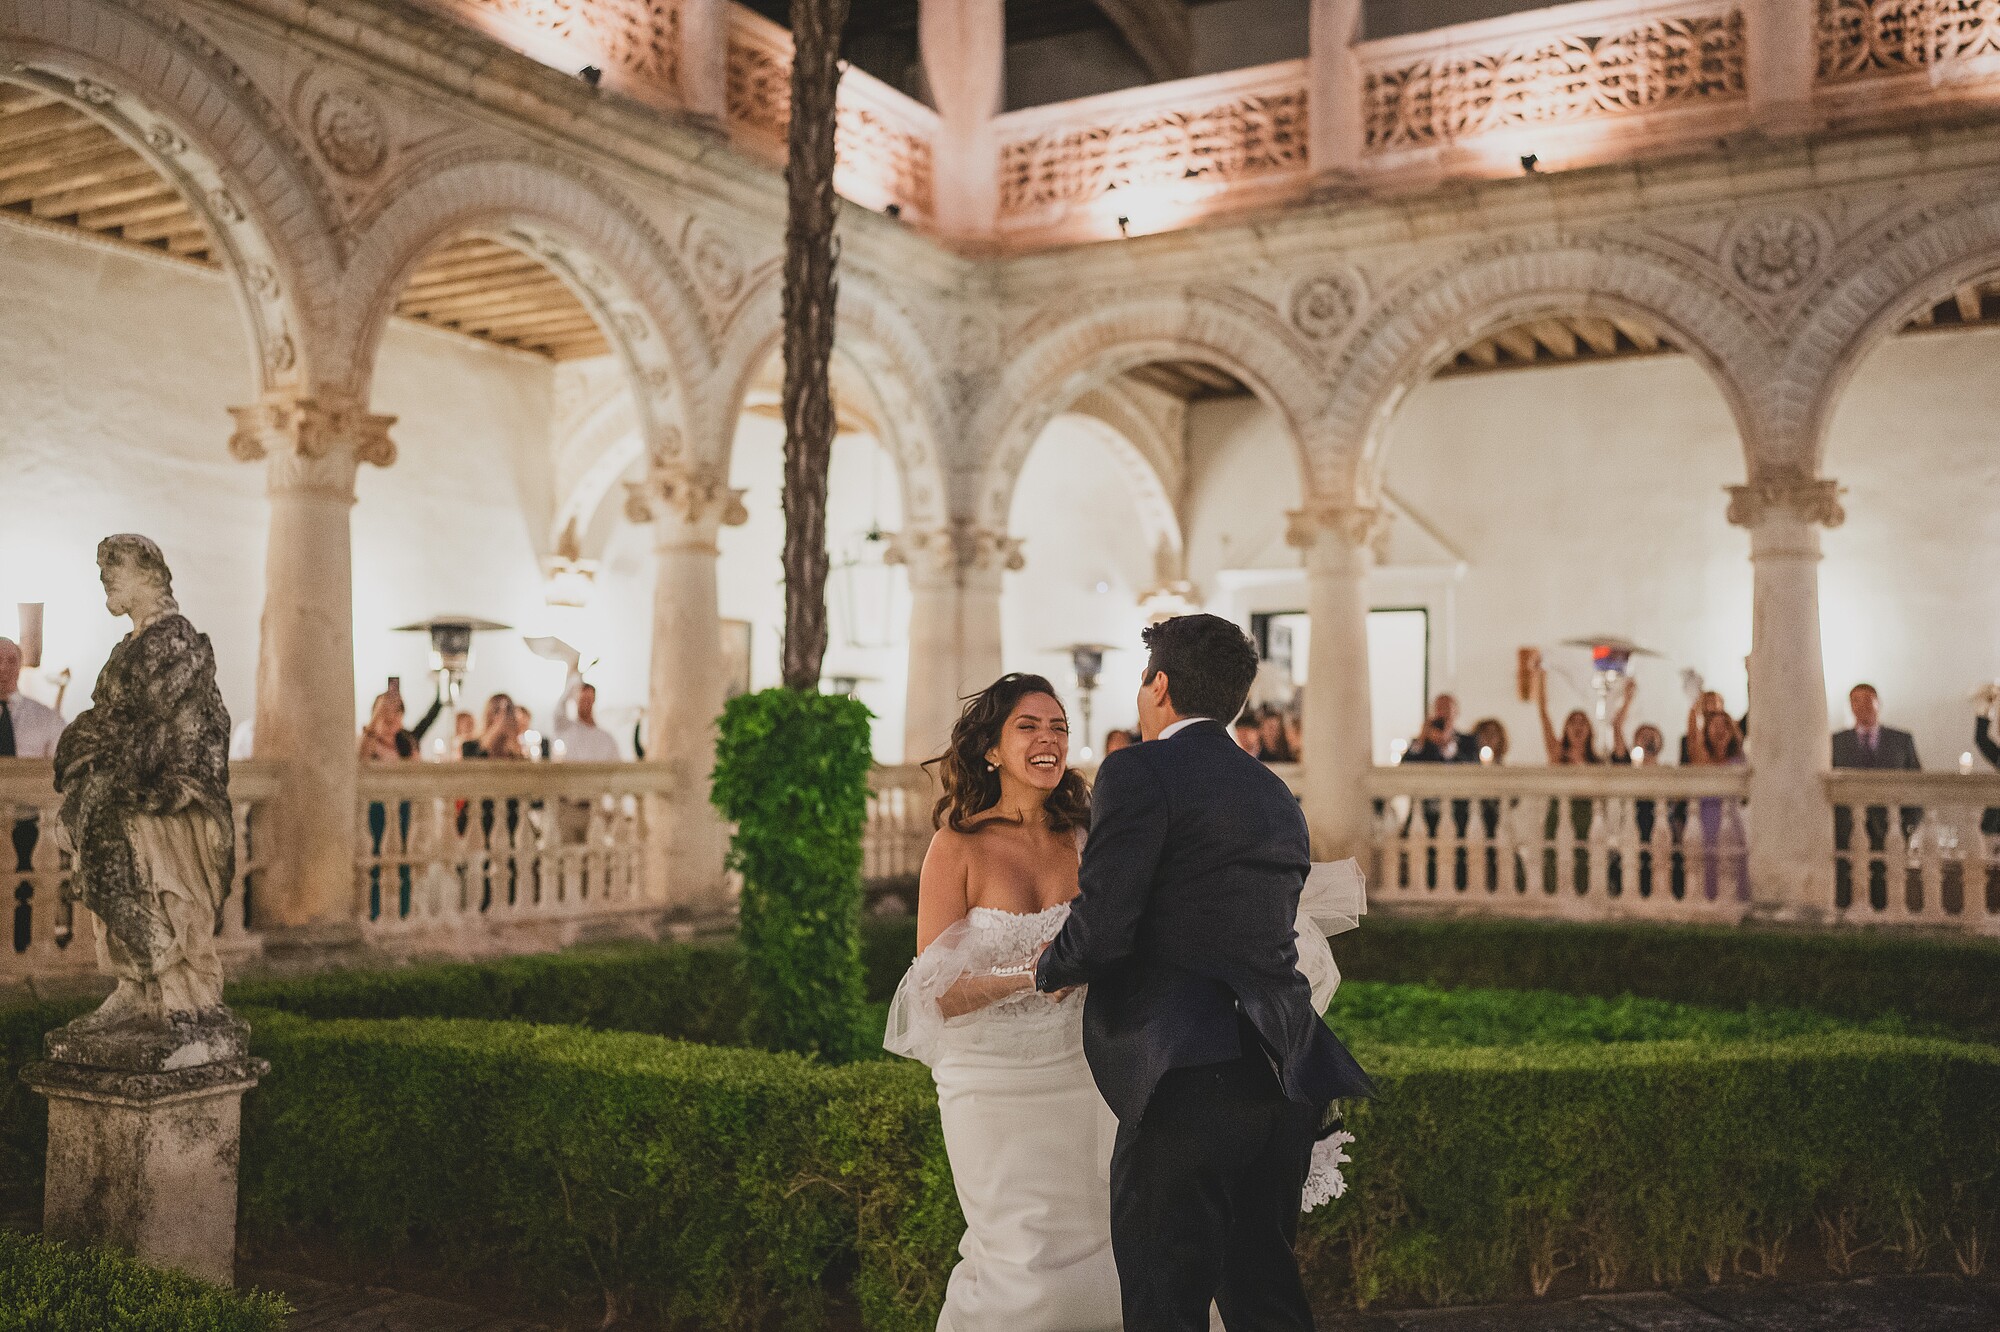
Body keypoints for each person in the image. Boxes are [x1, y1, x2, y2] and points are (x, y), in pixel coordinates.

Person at [1035, 614, 1372, 1332]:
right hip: (1283, 1068)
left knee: (1164, 1300)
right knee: (1264, 1293)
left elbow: (1105, 923)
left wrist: (1048, 967)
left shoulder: (1138, 769)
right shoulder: (1271, 791)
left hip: (1186, 1073)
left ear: (1158, 686)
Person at [1831, 683, 1922, 909]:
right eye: (1856, 700)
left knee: (1888, 894)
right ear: (1850, 706)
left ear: (1878, 703)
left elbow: (1917, 785)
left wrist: (1907, 826)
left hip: (1889, 830)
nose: (1862, 705)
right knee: (1848, 893)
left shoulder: (1901, 740)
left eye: (1867, 699)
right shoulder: (1836, 742)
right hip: (1847, 832)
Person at [3, 637, 66, 950]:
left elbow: (64, 771)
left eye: (10, 660)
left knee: (25, 888)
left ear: (20, 665)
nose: (2, 668)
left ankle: (23, 946)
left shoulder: (45, 718)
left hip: (28, 823)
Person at [1533, 665, 1603, 891]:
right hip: (1560, 814)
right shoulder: (1557, 754)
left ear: (1590, 729)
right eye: (1573, 721)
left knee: (1585, 865)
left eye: (1583, 722)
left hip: (1586, 816)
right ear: (1566, 728)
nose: (1578, 726)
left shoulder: (1597, 761)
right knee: (1558, 862)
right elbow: (1543, 714)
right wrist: (1540, 680)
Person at [1403, 693, 1478, 885]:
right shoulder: (1421, 743)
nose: (1443, 713)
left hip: (1458, 813)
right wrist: (1422, 738)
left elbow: (1473, 769)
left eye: (1448, 708)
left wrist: (1448, 747)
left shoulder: (1468, 742)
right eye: (1439, 708)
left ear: (1456, 712)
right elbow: (1405, 768)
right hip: (1426, 811)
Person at [1687, 706, 1748, 901]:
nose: (1720, 730)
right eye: (1714, 726)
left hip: (1731, 820)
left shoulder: (1740, 761)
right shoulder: (1700, 761)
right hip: (1705, 819)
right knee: (1706, 866)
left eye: (1724, 726)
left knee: (1731, 864)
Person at [553, 673, 620, 762]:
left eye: (588, 700)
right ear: (576, 700)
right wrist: (573, 680)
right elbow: (558, 711)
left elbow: (616, 767)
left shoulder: (606, 739)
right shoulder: (566, 728)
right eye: (582, 700)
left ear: (593, 701)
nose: (585, 704)